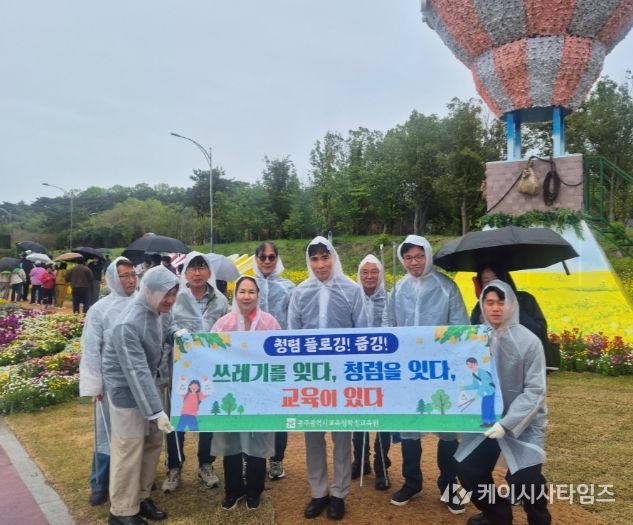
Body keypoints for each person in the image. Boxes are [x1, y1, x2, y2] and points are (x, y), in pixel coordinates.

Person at [383, 235, 468, 514]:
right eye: (408, 258)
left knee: (447, 431)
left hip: (441, 371)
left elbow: (460, 329)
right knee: (409, 429)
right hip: (408, 373)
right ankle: (412, 482)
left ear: (428, 255)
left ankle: (448, 485)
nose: (414, 262)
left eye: (419, 256)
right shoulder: (398, 289)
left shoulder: (447, 287)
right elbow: (388, 324)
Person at [455, 281, 551, 525]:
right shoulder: (474, 340)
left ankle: (539, 517)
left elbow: (535, 390)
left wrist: (507, 423)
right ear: (482, 306)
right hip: (487, 420)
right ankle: (497, 515)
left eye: (501, 302)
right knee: (468, 470)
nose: (495, 308)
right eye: (489, 302)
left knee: (525, 481)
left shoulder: (529, 342)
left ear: (512, 305)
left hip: (523, 422)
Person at [288, 236, 368, 521]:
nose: (320, 264)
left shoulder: (351, 290)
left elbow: (362, 334)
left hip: (342, 379)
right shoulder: (300, 292)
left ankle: (339, 494)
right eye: (314, 259)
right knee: (313, 437)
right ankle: (318, 492)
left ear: (333, 257)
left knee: (341, 438)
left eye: (325, 257)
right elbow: (293, 335)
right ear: (309, 261)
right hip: (312, 378)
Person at [102, 265, 179, 525]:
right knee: (129, 448)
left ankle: (142, 496)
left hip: (151, 387)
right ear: (149, 292)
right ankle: (122, 511)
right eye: (166, 294)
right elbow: (136, 372)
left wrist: (177, 334)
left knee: (152, 443)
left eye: (174, 294)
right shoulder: (127, 324)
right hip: (127, 391)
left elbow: (168, 328)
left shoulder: (161, 310)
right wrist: (156, 412)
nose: (170, 300)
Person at [161, 252, 229, 493]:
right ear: (184, 273)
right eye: (192, 268)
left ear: (209, 272)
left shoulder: (220, 300)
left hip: (209, 368)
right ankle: (174, 466)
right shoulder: (175, 298)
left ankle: (206, 464)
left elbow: (227, 333)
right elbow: (165, 331)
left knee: (207, 415)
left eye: (202, 268)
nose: (197, 273)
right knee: (177, 417)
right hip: (180, 368)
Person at [211, 275, 280, 511]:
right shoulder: (223, 324)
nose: (247, 296)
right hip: (230, 394)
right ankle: (233, 491)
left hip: (260, 393)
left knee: (257, 442)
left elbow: (279, 355)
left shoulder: (269, 323)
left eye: (251, 292)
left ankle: (254, 491)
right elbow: (210, 354)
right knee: (231, 442)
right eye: (242, 291)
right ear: (235, 295)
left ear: (258, 296)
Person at [79, 257, 138, 507]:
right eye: (124, 276)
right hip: (109, 382)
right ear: (113, 278)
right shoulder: (100, 310)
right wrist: (95, 383)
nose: (131, 280)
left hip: (136, 381)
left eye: (133, 274)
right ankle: (100, 483)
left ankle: (132, 481)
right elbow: (91, 348)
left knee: (133, 434)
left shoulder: (141, 305)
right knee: (106, 432)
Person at [253, 241, 295, 481]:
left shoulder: (288, 287)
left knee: (280, 410)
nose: (267, 261)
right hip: (253, 359)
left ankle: (277, 459)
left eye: (271, 257)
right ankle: (254, 458)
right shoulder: (247, 285)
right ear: (256, 259)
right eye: (263, 257)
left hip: (281, 358)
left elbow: (294, 321)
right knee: (255, 409)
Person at [352, 254, 392, 490]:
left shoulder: (389, 298)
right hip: (356, 367)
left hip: (382, 367)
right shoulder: (352, 297)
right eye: (365, 272)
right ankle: (360, 461)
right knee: (358, 416)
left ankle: (381, 464)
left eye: (374, 272)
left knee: (383, 418)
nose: (369, 276)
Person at [470, 265, 556, 369]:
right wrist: (483, 324)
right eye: (486, 281)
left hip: (526, 361)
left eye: (495, 279)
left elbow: (539, 332)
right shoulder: (480, 307)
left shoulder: (525, 299)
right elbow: (473, 339)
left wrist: (513, 312)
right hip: (495, 364)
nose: (493, 284)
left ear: (505, 279)